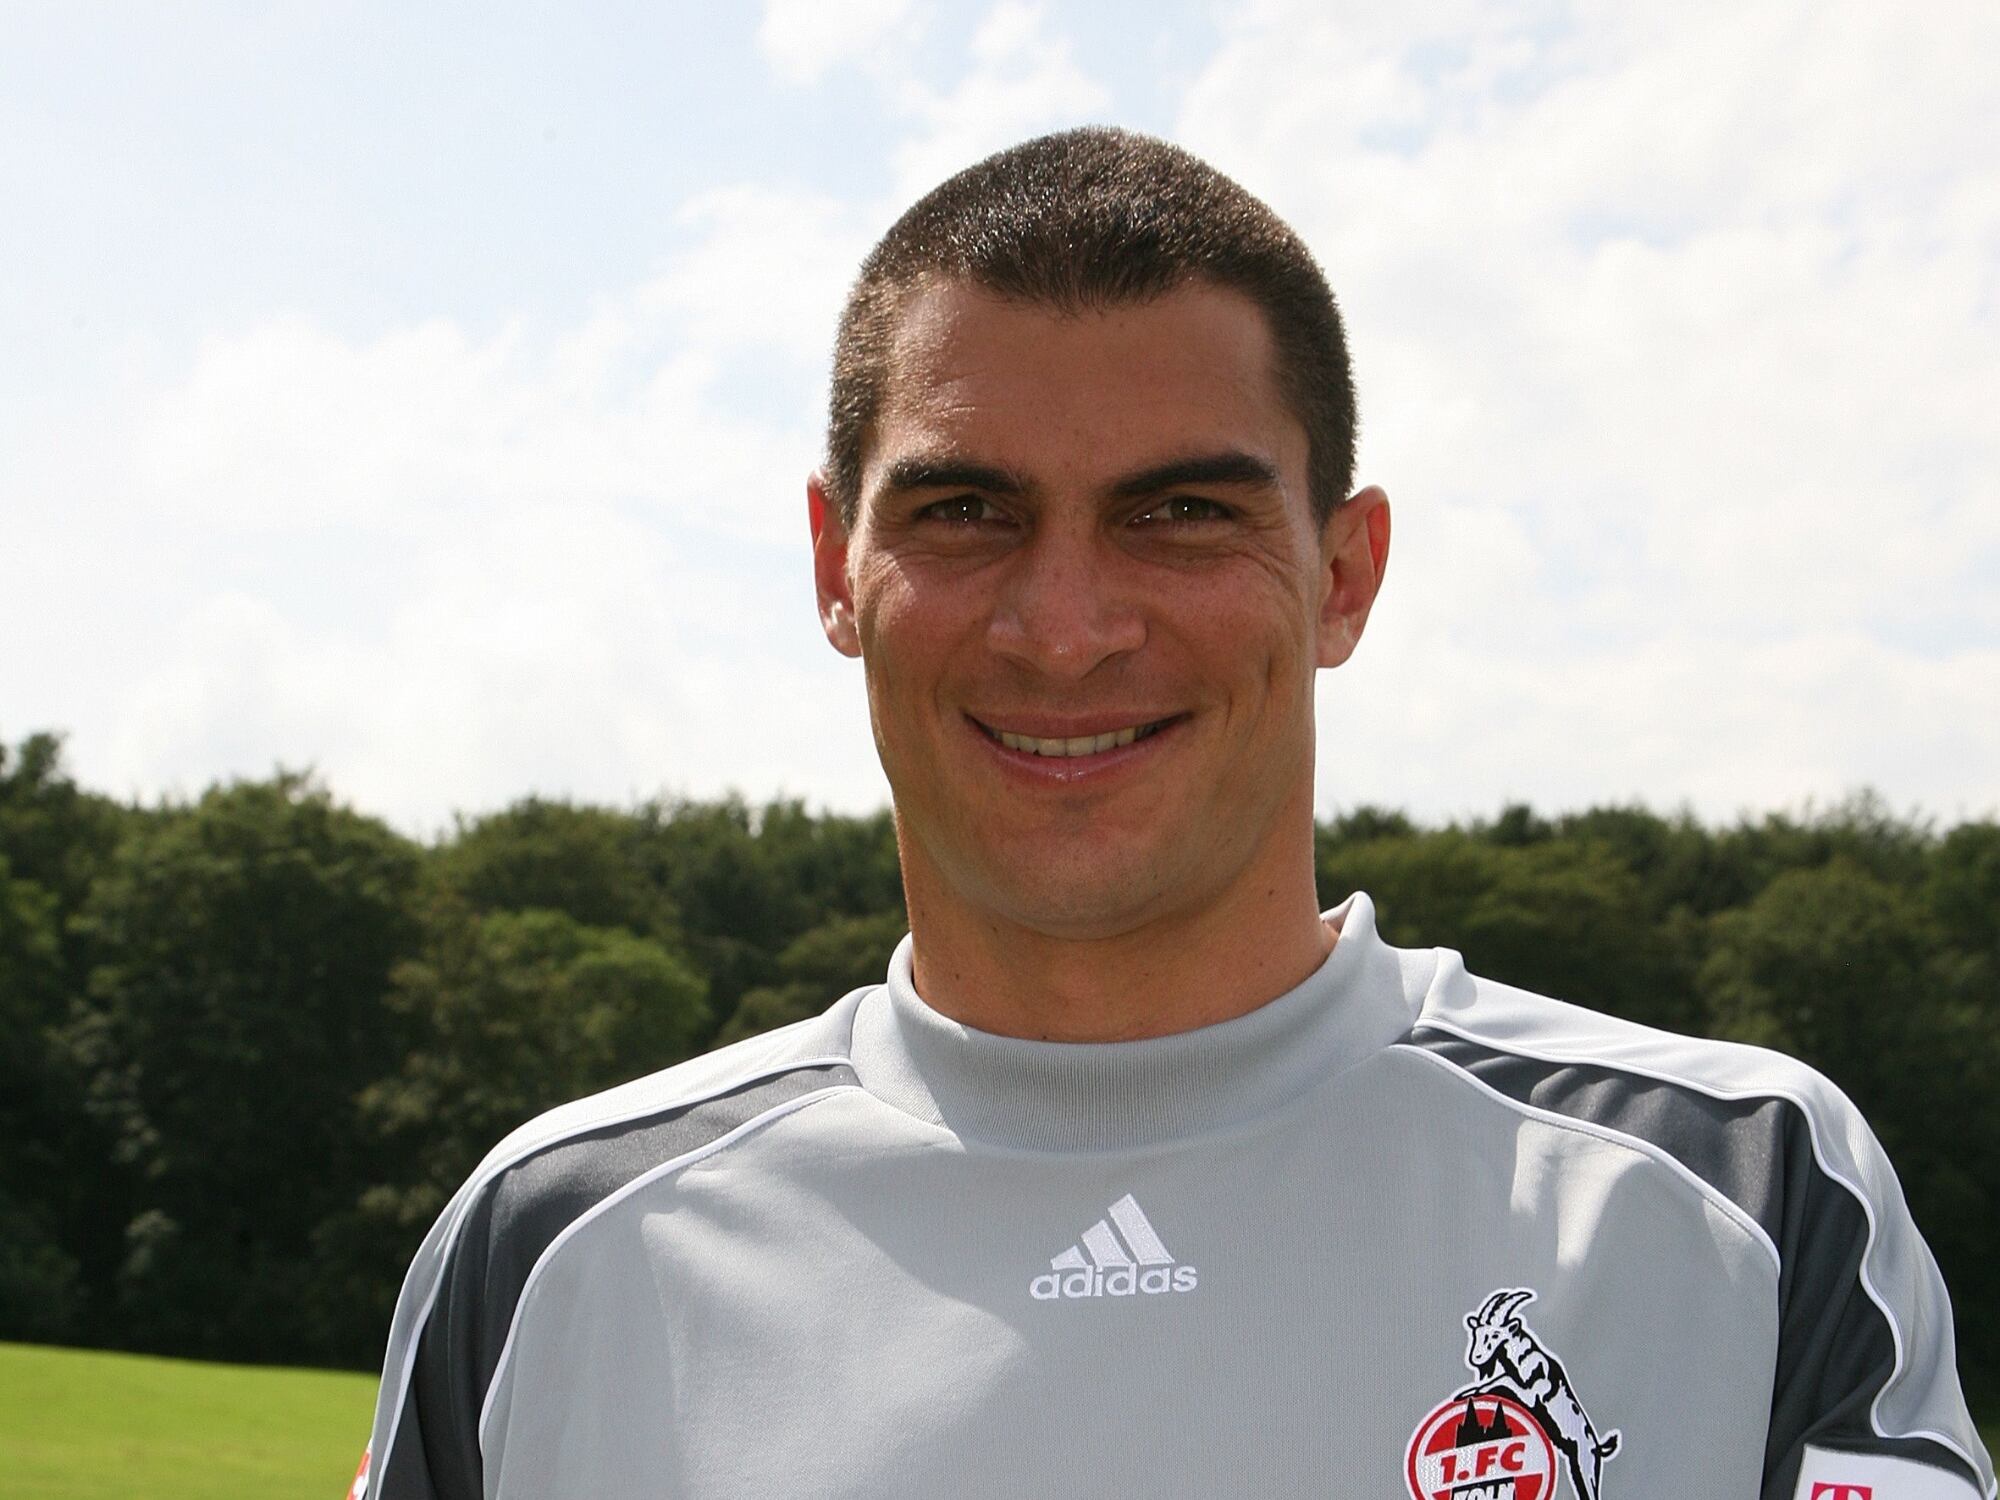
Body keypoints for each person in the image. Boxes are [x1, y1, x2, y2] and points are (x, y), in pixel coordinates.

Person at [357, 128, 1994, 1500]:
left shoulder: (1735, 1198)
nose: (1066, 630)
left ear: (1343, 573)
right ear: (833, 568)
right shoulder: (551, 1253)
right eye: (967, 510)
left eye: (1183, 512)